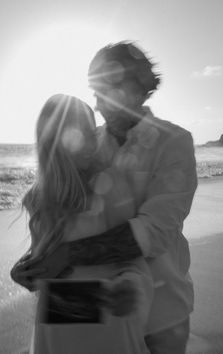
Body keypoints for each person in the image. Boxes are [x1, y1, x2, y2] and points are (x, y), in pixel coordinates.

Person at [12, 41, 198, 354]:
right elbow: (61, 213)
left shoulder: (174, 142)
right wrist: (33, 266)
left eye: (109, 88)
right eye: (95, 92)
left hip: (163, 311)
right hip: (94, 306)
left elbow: (154, 230)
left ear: (141, 88)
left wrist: (67, 254)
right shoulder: (88, 144)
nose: (98, 104)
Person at [11, 93, 153, 354]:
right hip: (56, 331)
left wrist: (129, 287)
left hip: (108, 330)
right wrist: (26, 272)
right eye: (80, 134)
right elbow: (48, 263)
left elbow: (134, 261)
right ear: (53, 141)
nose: (92, 143)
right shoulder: (38, 200)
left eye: (92, 132)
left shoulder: (110, 187)